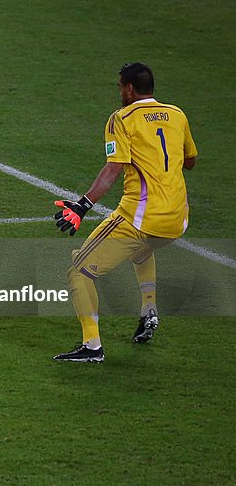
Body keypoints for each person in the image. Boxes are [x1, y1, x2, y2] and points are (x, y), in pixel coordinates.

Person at [52, 62, 197, 363]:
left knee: (78, 270)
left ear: (129, 89)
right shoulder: (177, 114)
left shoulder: (122, 118)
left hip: (139, 218)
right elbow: (190, 160)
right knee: (142, 250)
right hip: (177, 219)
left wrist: (82, 206)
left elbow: (113, 168)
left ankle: (91, 347)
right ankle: (148, 309)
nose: (119, 92)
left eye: (120, 87)